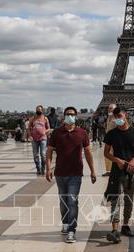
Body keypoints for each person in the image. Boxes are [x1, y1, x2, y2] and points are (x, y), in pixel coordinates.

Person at [46, 106, 97, 243]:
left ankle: (71, 230)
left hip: (76, 173)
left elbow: (88, 153)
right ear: (64, 116)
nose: (70, 116)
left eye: (73, 114)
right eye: (68, 114)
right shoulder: (57, 133)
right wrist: (47, 168)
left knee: (73, 201)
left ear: (76, 116)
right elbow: (50, 151)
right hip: (60, 173)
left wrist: (92, 170)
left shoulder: (82, 133)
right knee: (63, 202)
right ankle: (65, 222)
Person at [103, 106, 134, 243]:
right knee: (115, 199)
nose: (118, 119)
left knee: (129, 200)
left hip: (131, 171)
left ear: (125, 115)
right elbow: (106, 153)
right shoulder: (111, 134)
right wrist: (117, 160)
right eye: (116, 117)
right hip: (117, 170)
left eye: (120, 116)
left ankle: (125, 225)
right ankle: (115, 230)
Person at [29, 105, 50, 175]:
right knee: (36, 154)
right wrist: (30, 135)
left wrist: (45, 132)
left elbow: (48, 128)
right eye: (37, 109)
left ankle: (43, 168)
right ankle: (38, 168)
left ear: (42, 110)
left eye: (40, 109)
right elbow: (29, 128)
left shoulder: (45, 118)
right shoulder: (33, 119)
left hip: (43, 138)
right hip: (34, 139)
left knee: (43, 154)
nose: (38, 111)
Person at [102, 104, 117, 177]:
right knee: (107, 155)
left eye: (111, 108)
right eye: (108, 108)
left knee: (114, 155)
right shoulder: (108, 118)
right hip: (108, 140)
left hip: (115, 140)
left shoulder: (117, 118)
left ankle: (114, 170)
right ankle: (108, 170)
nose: (109, 109)